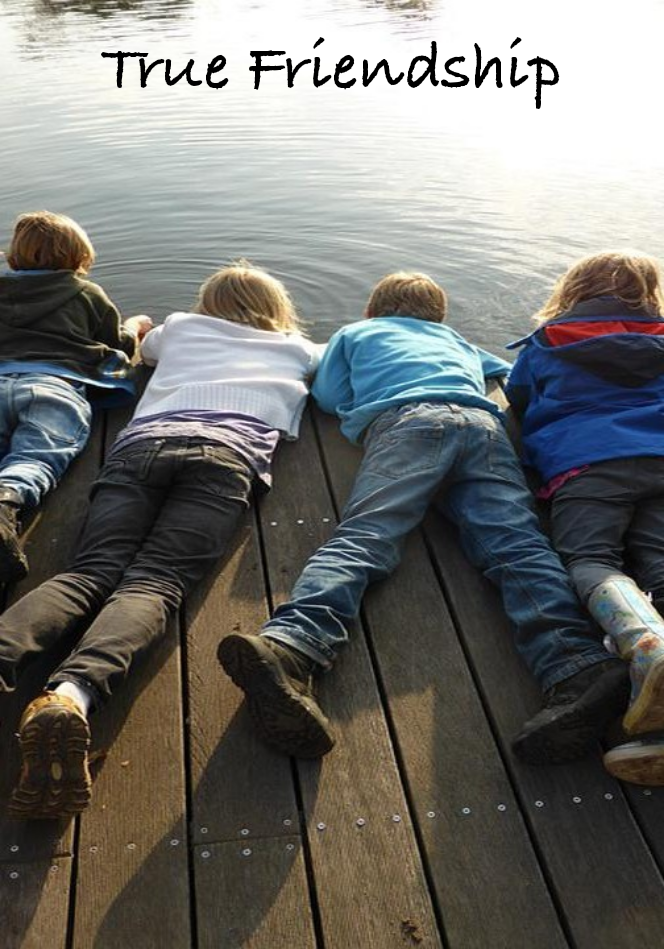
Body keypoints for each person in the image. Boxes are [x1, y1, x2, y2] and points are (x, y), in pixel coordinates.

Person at [218, 271, 627, 762]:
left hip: (409, 423)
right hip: (482, 426)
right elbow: (500, 371)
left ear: (373, 309)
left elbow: (327, 395)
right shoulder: (455, 339)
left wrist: (361, 405)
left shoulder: (357, 332)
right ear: (438, 316)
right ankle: (578, 664)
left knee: (368, 535)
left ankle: (294, 645)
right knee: (517, 543)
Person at [0, 261, 321, 819]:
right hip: (226, 456)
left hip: (142, 447)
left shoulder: (183, 327)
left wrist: (146, 329)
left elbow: (144, 347)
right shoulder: (298, 348)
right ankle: (71, 696)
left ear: (206, 303)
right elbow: (336, 372)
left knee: (89, 572)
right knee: (155, 581)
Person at [504, 251, 664, 785]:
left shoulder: (548, 341)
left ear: (573, 289)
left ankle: (646, 643)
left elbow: (519, 398)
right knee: (659, 559)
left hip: (587, 463)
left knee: (593, 557)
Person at [0, 210, 152, 580]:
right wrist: (135, 325)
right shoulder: (86, 292)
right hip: (54, 387)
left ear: (14, 254)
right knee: (37, 453)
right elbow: (116, 343)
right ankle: (6, 499)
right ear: (79, 257)